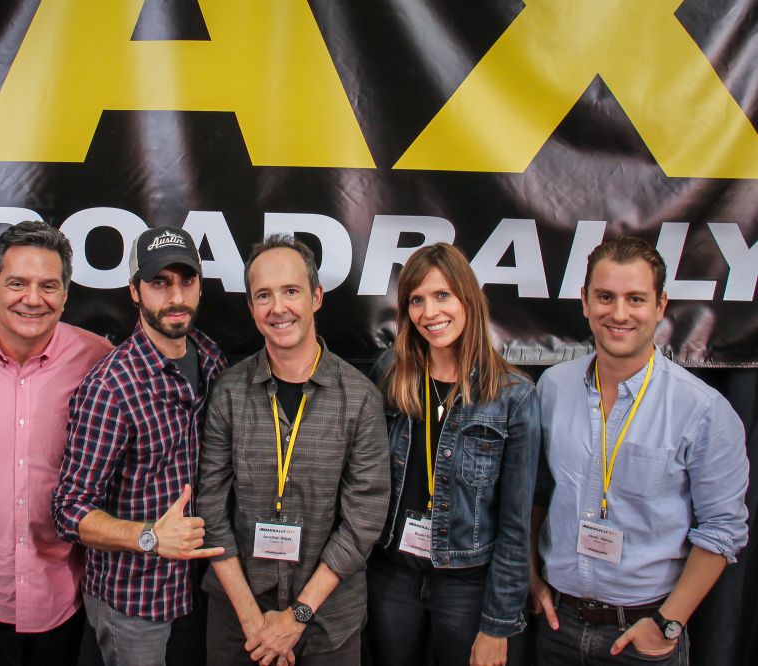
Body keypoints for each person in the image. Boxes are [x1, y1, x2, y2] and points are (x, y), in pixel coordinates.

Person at [530, 236, 749, 665]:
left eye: (636, 299)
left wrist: (668, 623)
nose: (619, 313)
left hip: (644, 636)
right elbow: (538, 490)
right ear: (584, 301)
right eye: (605, 297)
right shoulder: (552, 387)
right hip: (558, 628)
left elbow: (724, 528)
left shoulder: (702, 410)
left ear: (660, 305)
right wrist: (531, 578)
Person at [197, 234, 390, 666]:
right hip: (237, 620)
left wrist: (297, 616)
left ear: (316, 296)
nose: (278, 308)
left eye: (291, 291)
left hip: (327, 622)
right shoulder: (228, 392)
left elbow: (365, 516)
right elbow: (209, 506)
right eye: (263, 295)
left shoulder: (359, 398)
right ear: (251, 308)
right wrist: (252, 619)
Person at [0, 221, 113, 665]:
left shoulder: (98, 360)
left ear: (66, 295)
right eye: (17, 283)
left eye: (48, 285)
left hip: (65, 601)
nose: (33, 299)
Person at [52, 226, 228, 666]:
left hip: (202, 589)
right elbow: (68, 510)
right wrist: (149, 536)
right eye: (159, 283)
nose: (175, 297)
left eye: (186, 281)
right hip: (136, 602)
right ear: (134, 291)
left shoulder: (210, 358)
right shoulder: (110, 387)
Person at [364, 242, 539, 666]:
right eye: (416, 300)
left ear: (468, 299)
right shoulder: (390, 374)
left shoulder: (513, 397)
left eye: (442, 295)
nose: (429, 312)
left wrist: (499, 624)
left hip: (468, 583)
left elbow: (517, 525)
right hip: (393, 575)